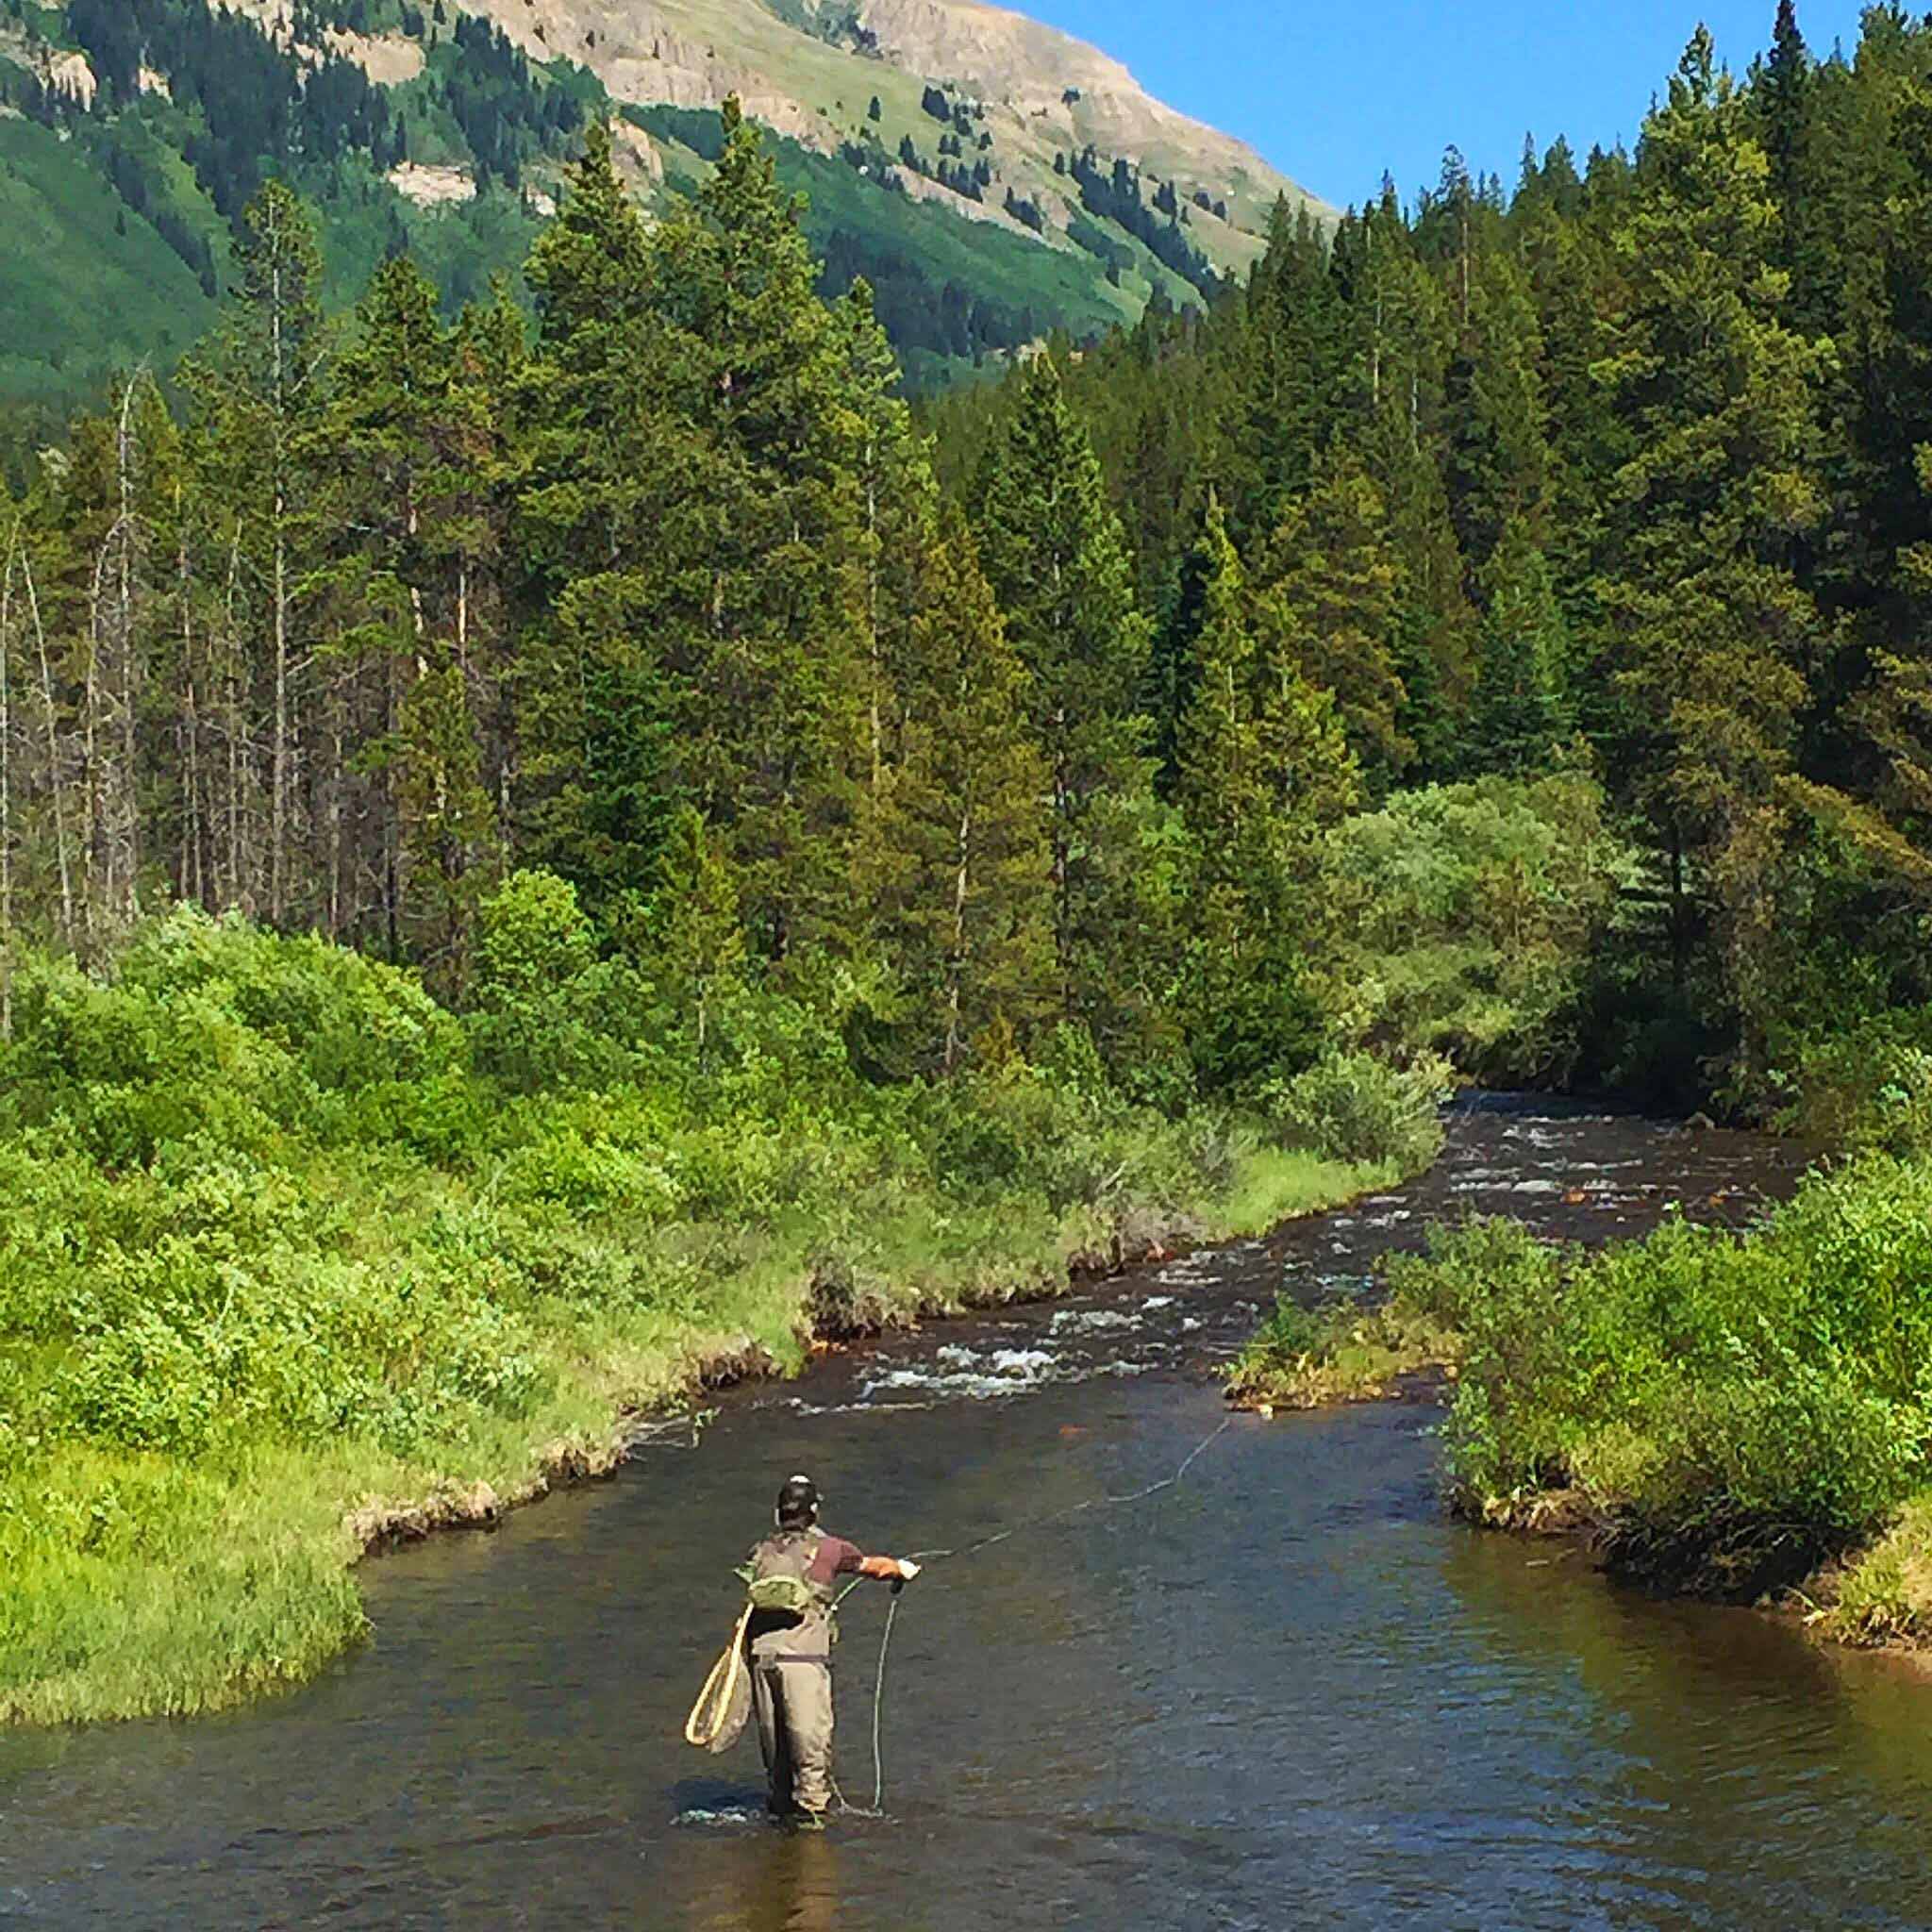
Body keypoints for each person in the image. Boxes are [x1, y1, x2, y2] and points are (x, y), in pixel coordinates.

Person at [741, 1474, 920, 1828]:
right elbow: (874, 1567)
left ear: (778, 1514)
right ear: (815, 1512)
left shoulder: (759, 1552)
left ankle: (779, 1820)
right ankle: (810, 1832)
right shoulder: (832, 1549)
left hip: (761, 1662)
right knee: (810, 1747)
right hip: (803, 1663)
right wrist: (902, 1569)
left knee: (776, 1753)